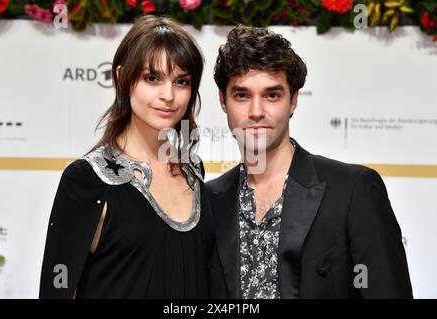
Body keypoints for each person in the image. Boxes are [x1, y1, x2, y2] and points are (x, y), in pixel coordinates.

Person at [207, 25, 413, 299]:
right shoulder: (209, 200)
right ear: (223, 100)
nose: (256, 112)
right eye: (242, 95)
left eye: (272, 95)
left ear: (293, 101)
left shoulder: (352, 190)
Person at [39, 15, 213, 298]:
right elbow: (57, 289)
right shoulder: (86, 180)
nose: (168, 95)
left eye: (181, 81)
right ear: (122, 77)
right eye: (152, 78)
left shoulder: (194, 171)